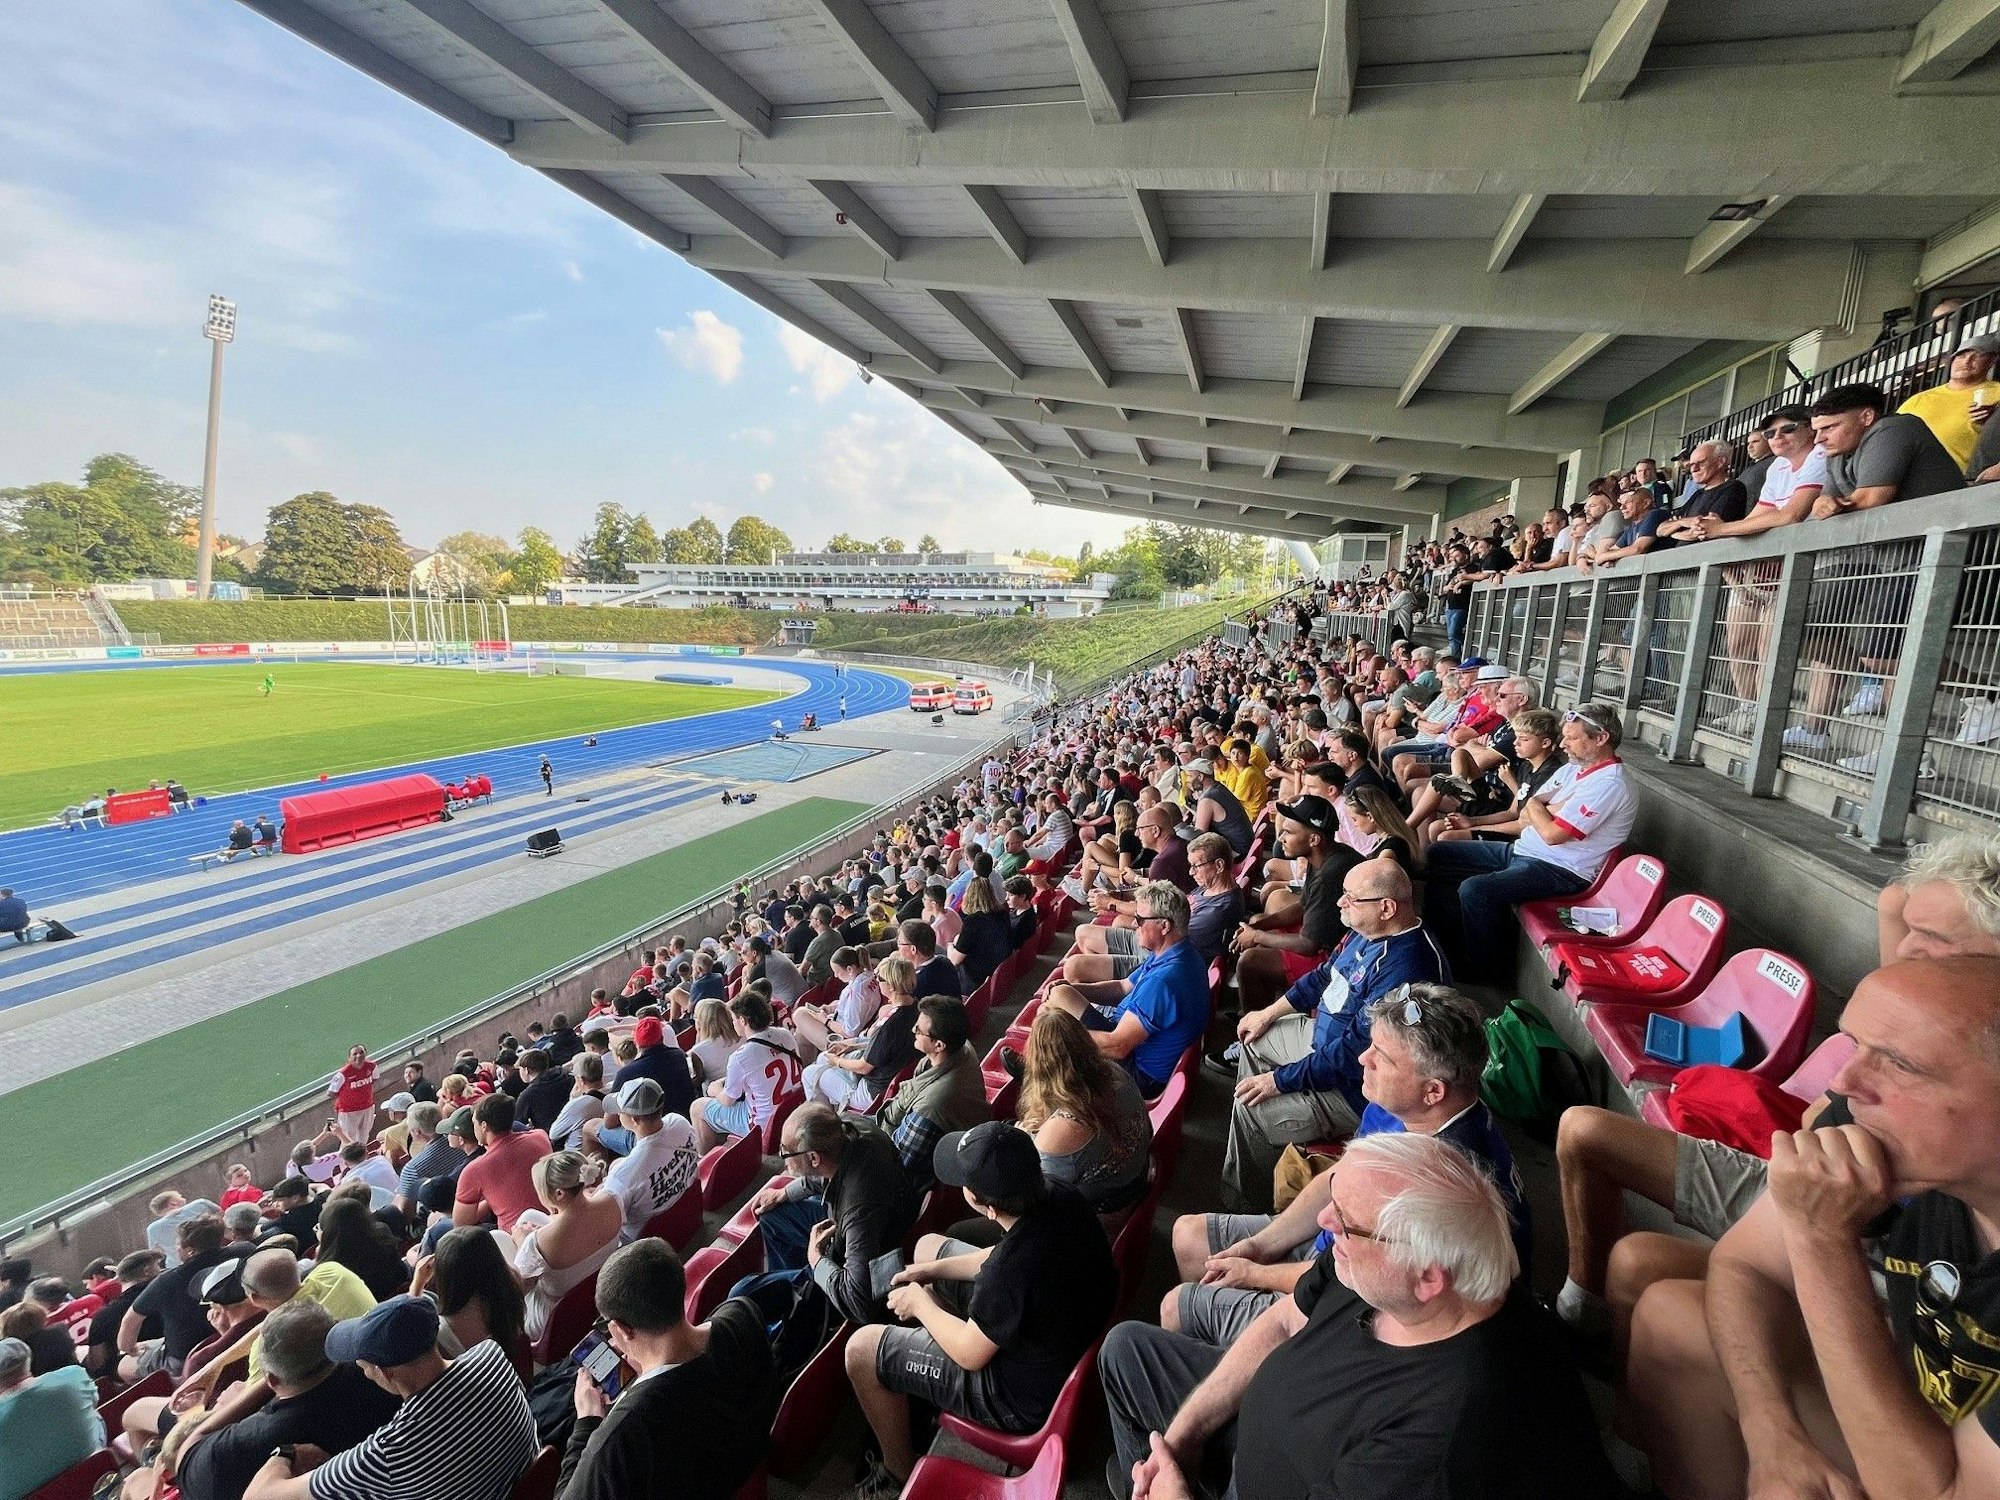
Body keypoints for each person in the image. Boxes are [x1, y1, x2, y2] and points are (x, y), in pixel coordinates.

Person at [1628, 957, 2000, 1500]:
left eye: (1898, 1063)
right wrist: (1773, 1437)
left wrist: (1820, 1237)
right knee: (1670, 1316)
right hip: (1930, 1422)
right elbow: (1745, 1263)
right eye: (1855, 1045)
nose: (1843, 1083)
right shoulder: (1879, 1135)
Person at [1101, 1133, 1615, 1500]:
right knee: (1125, 1350)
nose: (1325, 1224)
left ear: (1427, 1277)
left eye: (1344, 1222)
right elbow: (1283, 1322)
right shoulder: (1375, 1270)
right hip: (1262, 1425)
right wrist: (1183, 1438)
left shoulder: (1443, 1442)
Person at [1168, 984, 1524, 1347]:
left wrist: (1257, 1274)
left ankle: (1254, 1380)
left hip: (1357, 1298)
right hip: (1337, 1246)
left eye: (1381, 1057)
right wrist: (1260, 1246)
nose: (1361, 1060)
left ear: (1433, 1091)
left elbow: (1352, 1278)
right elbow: (1337, 1182)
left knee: (1178, 1307)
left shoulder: (1437, 1182)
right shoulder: (1398, 1103)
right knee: (1187, 1235)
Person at [845, 1122, 1117, 1498]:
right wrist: (933, 1270)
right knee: (926, 1247)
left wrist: (920, 1304)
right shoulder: (1057, 1195)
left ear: (984, 1206)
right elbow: (1002, 1254)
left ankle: (896, 1470)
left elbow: (972, 1354)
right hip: (1059, 1339)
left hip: (1019, 1399)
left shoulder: (1011, 1274)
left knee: (860, 1350)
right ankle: (930, 1372)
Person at [1221, 858, 1449, 1212]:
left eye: (1350, 898)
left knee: (1250, 1109)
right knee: (1256, 1039)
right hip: (1324, 1043)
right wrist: (1266, 1014)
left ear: (1387, 908)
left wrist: (1278, 1082)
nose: (1340, 903)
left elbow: (1352, 1054)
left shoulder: (1407, 969)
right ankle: (1269, 1149)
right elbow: (1323, 975)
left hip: (1355, 1087)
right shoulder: (1366, 931)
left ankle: (1246, 1204)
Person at [241, 1295, 536, 1500]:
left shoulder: (387, 1452)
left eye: (362, 1365)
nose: (361, 1370)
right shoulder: (490, 1356)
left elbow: (259, 1496)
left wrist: (285, 1454)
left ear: (386, 1372)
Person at [1424, 701, 1636, 982]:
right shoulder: (1573, 770)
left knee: (1477, 890)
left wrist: (1540, 808)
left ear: (1601, 739)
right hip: (1524, 851)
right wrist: (1541, 806)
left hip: (1561, 869)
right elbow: (1526, 813)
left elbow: (1552, 835)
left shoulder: (1610, 784)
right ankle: (1442, 944)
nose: (1564, 745)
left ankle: (1486, 970)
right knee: (1440, 852)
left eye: (1572, 738)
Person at [555, 1239, 774, 1500]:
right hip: (745, 1465)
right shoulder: (741, 1313)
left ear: (620, 1330)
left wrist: (587, 1421)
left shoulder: (623, 1434)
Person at [147, 1302, 399, 1500]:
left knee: (139, 1478)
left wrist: (262, 1387)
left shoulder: (233, 1451)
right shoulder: (385, 1375)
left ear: (272, 1379)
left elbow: (190, 1450)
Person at [739, 1104, 919, 1333]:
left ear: (813, 1157)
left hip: (861, 1242)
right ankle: (800, 1293)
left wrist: (817, 1261)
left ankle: (806, 1295)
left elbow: (860, 1304)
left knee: (743, 1291)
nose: (782, 1158)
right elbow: (826, 1172)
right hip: (873, 1215)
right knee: (773, 1217)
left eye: (785, 1152)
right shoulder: (849, 1129)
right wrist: (784, 1193)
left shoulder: (859, 1212)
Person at [1039, 880, 1211, 1100]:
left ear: (1164, 926)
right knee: (1061, 994)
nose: (1133, 924)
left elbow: (1117, 1047)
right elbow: (1122, 987)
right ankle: (1039, 1061)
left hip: (1138, 1075)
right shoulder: (1175, 953)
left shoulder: (1163, 981)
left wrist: (1059, 1037)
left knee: (1051, 1026)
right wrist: (1074, 989)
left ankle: (1039, 1065)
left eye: (1140, 920)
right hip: (1131, 1045)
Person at [1015, 1007, 1153, 1217]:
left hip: (1103, 1207)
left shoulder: (1062, 1129)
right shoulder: (1114, 1072)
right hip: (1134, 1175)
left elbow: (1035, 1198)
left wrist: (1024, 1139)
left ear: (1037, 1064)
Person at [877, 998, 989, 1190]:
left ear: (939, 1045)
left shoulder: (931, 1107)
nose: (913, 1031)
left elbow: (897, 1161)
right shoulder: (964, 1048)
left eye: (919, 1030)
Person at [511, 1151, 622, 1342]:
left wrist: (522, 1242)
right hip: (603, 1291)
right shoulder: (612, 1199)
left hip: (557, 1320)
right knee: (530, 1215)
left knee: (500, 1238)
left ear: (559, 1193)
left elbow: (519, 1289)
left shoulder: (537, 1243)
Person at [802, 955, 917, 1113]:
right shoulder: (916, 1006)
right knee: (823, 1058)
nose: (876, 980)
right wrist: (848, 1046)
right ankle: (834, 1108)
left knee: (809, 1073)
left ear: (891, 985)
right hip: (891, 1077)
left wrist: (837, 1061)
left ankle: (823, 1123)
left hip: (872, 1094)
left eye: (879, 978)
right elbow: (882, 1046)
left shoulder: (891, 1025)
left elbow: (864, 1067)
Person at [690, 993, 800, 1153]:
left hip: (761, 1125)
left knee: (697, 1107)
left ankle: (703, 1158)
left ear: (743, 1020)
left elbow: (728, 1101)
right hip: (790, 1110)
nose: (733, 1023)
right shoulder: (785, 1034)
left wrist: (716, 1090)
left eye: (734, 1019)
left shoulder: (741, 1056)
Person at [0, 1336, 103, 1500]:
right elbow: (94, 1402)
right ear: (28, 1360)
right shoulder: (73, 1375)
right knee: (94, 1414)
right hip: (97, 1480)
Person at [598, 1078, 698, 1242]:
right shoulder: (679, 1121)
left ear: (634, 1119)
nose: (617, 1114)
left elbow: (605, 1226)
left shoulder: (623, 1176)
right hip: (685, 1214)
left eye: (620, 1111)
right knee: (616, 1164)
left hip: (642, 1242)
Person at [1898, 330, 2000, 472]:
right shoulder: (1918, 400)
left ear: (1993, 360)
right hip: (1908, 477)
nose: (1966, 361)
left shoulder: (1997, 393)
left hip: (1960, 482)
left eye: (1977, 356)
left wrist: (1994, 419)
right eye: (1961, 356)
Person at [418, 1227, 525, 1360]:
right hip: (514, 1364)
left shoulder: (441, 1331)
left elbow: (408, 1324)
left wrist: (417, 1285)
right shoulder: (513, 1282)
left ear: (443, 1272)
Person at [452, 1094, 552, 1233]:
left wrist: (489, 1198)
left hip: (515, 1239)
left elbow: (461, 1222)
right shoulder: (540, 1137)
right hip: (553, 1222)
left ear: (484, 1126)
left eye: (474, 1122)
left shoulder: (475, 1170)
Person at [314, 1197, 410, 1302]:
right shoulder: (383, 1232)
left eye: (318, 1228)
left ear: (327, 1233)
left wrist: (322, 1244)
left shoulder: (330, 1269)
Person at [947, 873, 1012, 992]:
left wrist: (950, 945)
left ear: (970, 896)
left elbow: (954, 960)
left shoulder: (972, 922)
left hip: (976, 978)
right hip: (998, 969)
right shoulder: (1003, 913)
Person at [326, 1046, 378, 1146]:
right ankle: (345, 1160)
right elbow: (330, 1092)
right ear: (349, 1058)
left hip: (368, 1107)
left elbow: (375, 1079)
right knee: (348, 1140)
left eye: (361, 1052)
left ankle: (361, 1158)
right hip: (348, 1111)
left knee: (364, 1136)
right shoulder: (343, 1074)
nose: (359, 1055)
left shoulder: (372, 1066)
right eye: (355, 1054)